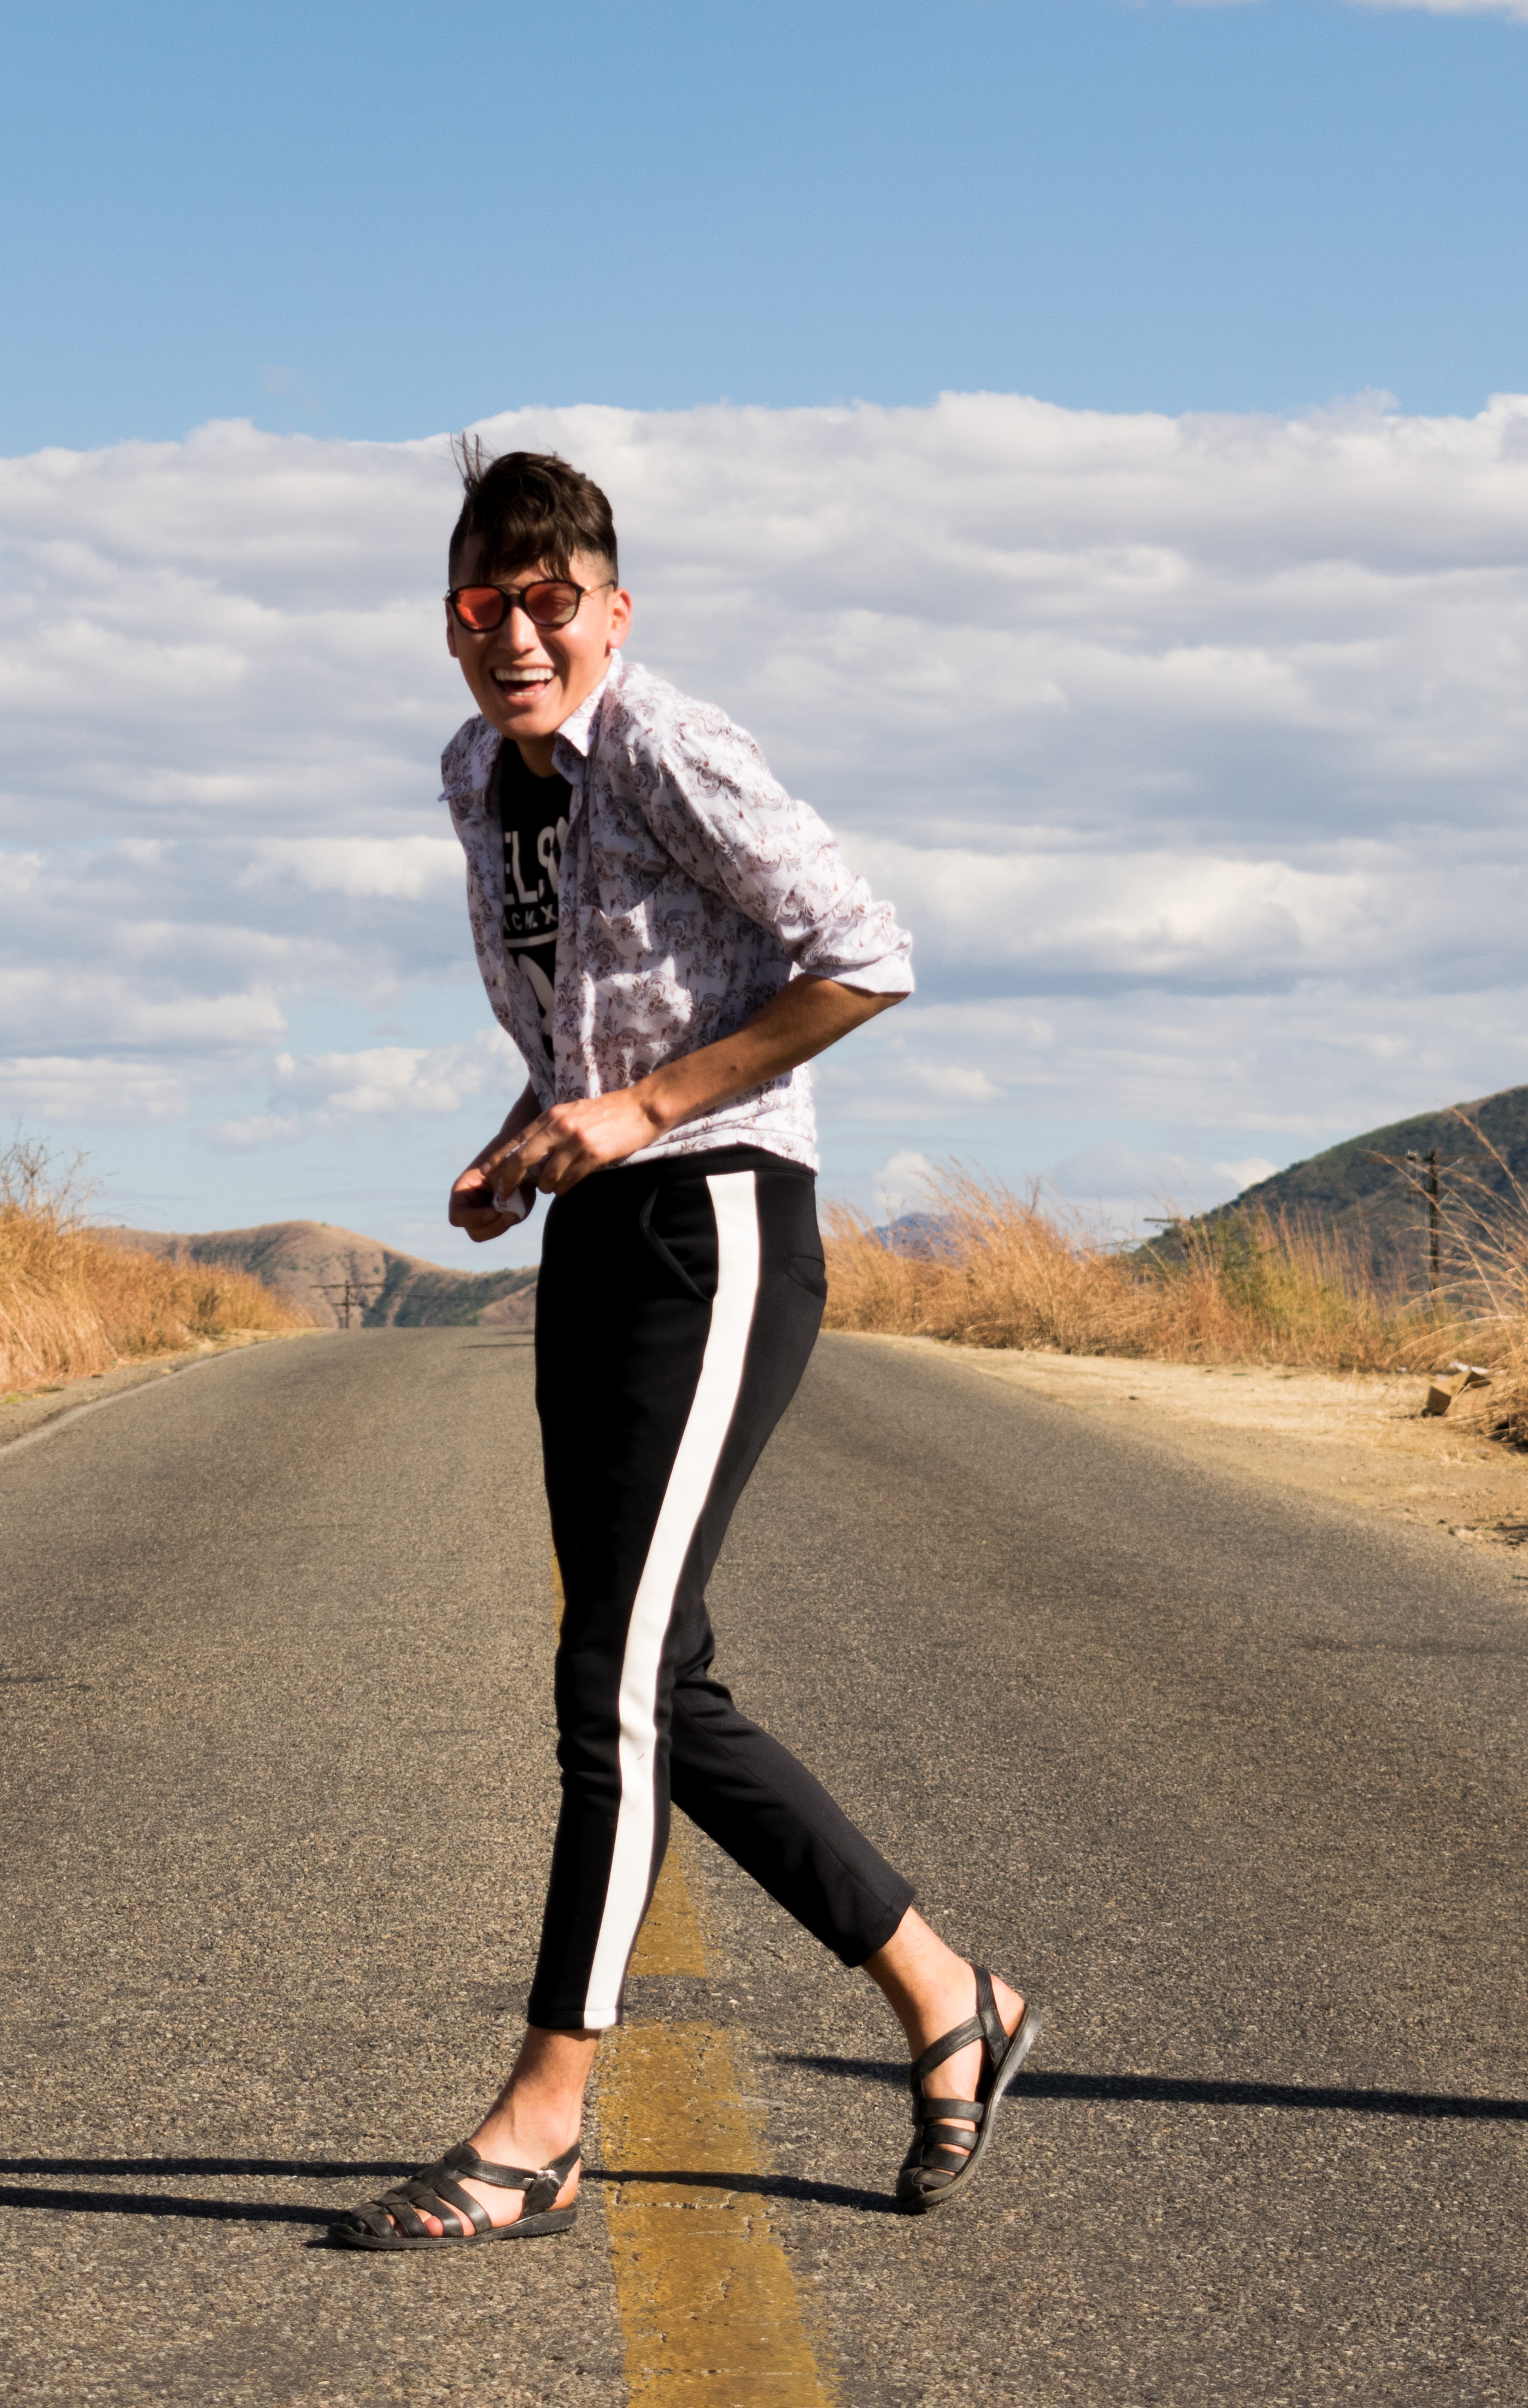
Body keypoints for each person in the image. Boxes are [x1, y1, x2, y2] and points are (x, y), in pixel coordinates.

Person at [335, 444, 1038, 2248]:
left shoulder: (667, 746)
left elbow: (863, 953)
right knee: (654, 1677)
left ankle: (545, 2116)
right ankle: (948, 1995)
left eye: (554, 600)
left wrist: (637, 1111)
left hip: (719, 1219)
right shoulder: (474, 780)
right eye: (487, 604)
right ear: (450, 622)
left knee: (611, 1692)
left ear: (612, 613)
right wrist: (534, 1132)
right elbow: (588, 1015)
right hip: (601, 1227)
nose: (520, 632)